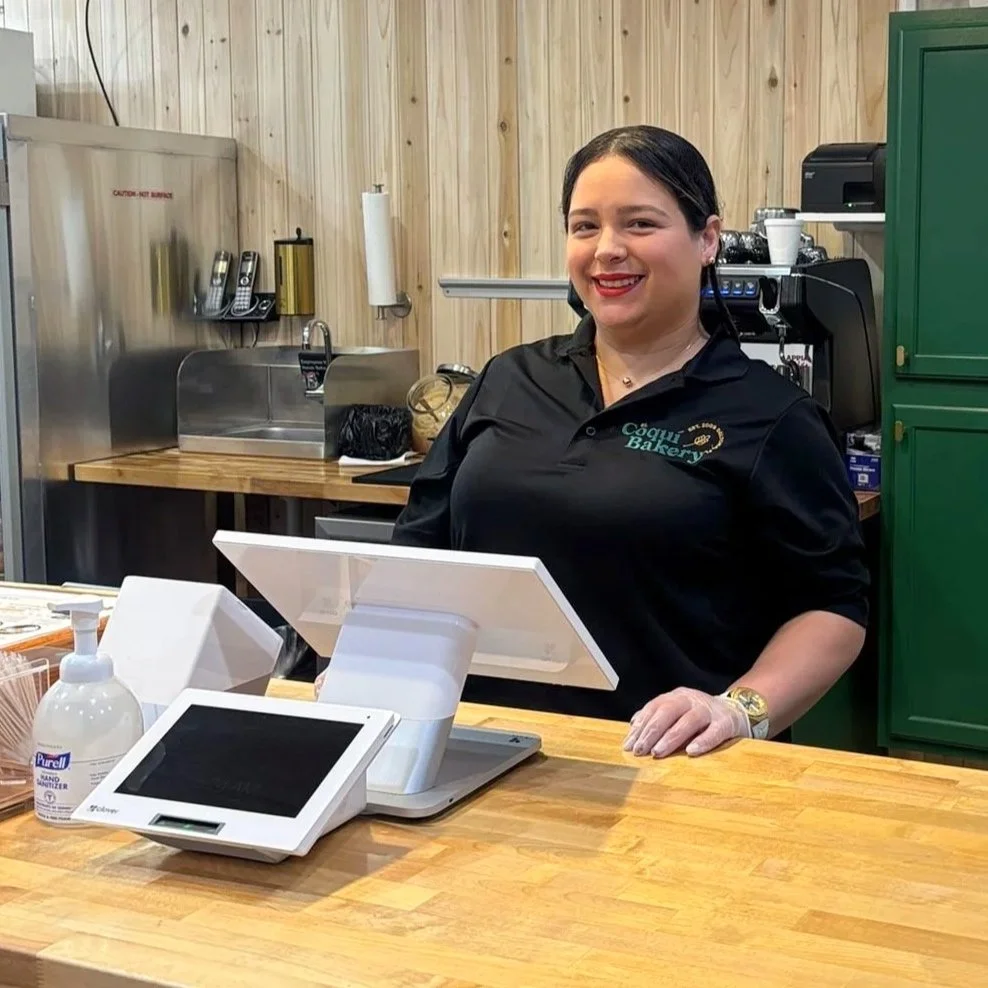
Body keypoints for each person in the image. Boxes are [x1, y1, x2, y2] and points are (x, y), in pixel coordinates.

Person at [390, 124, 869, 760]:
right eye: (584, 226)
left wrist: (737, 708)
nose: (606, 250)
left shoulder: (772, 416)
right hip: (474, 749)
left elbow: (832, 607)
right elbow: (419, 548)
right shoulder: (510, 378)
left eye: (639, 224)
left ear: (706, 240)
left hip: (663, 766)